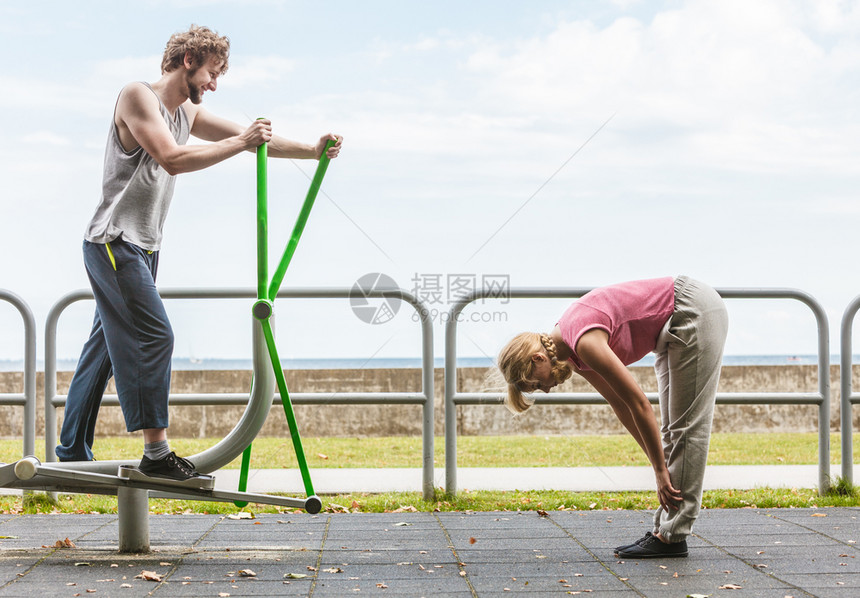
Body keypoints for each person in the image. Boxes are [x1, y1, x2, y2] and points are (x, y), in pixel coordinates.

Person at [55, 25, 343, 483]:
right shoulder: (137, 96)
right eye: (213, 72)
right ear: (188, 60)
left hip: (143, 247)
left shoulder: (184, 111)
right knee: (155, 337)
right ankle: (156, 453)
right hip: (114, 241)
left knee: (105, 352)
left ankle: (70, 450)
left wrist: (312, 149)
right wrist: (241, 143)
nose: (214, 83)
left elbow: (255, 141)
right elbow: (172, 157)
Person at [497, 276, 728, 558]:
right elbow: (619, 404)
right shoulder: (570, 350)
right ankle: (666, 532)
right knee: (673, 432)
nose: (544, 389)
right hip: (675, 319)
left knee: (686, 428)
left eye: (535, 383)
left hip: (691, 308)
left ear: (538, 359)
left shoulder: (583, 342)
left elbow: (639, 403)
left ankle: (672, 536)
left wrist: (658, 470)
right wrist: (658, 464)